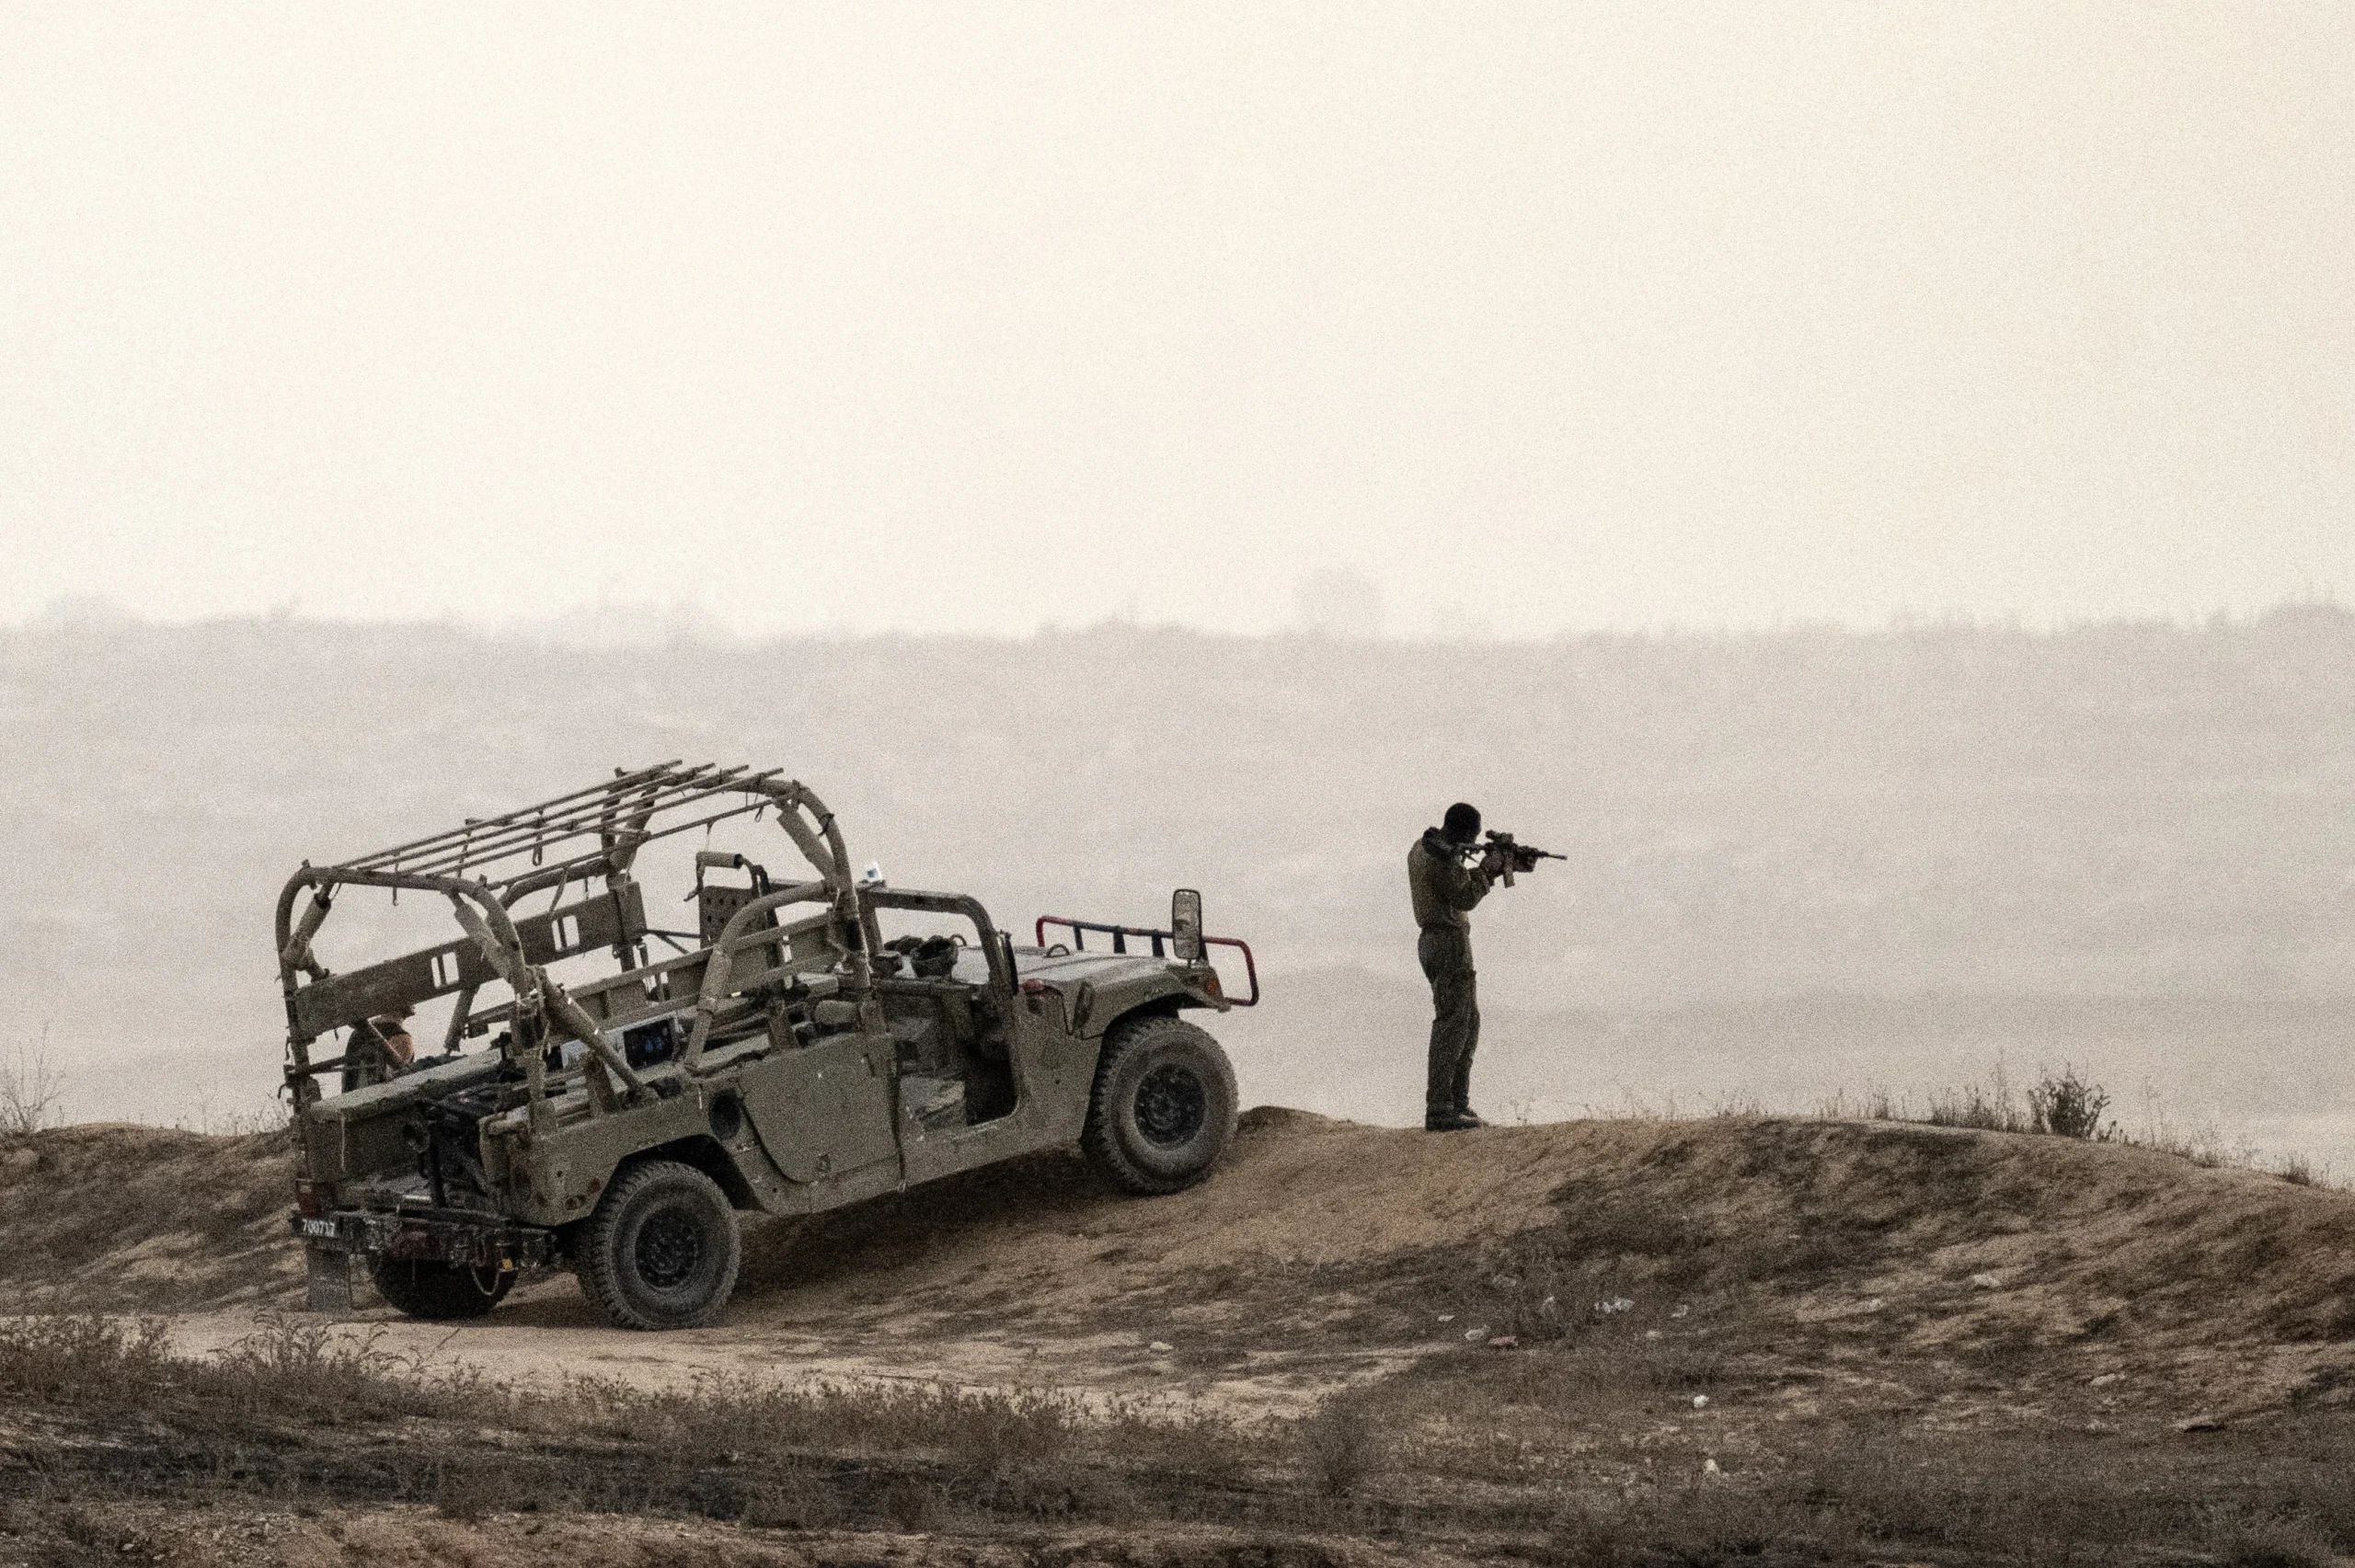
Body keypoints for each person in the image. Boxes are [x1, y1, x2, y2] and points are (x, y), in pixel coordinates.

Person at [1407, 802, 1506, 1131]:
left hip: (1433, 942)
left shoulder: (1422, 848)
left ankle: (1457, 1104)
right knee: (1453, 1024)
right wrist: (1488, 871)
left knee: (1467, 1021)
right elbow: (1465, 898)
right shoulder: (1442, 861)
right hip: (1448, 943)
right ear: (1466, 832)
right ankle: (1441, 1108)